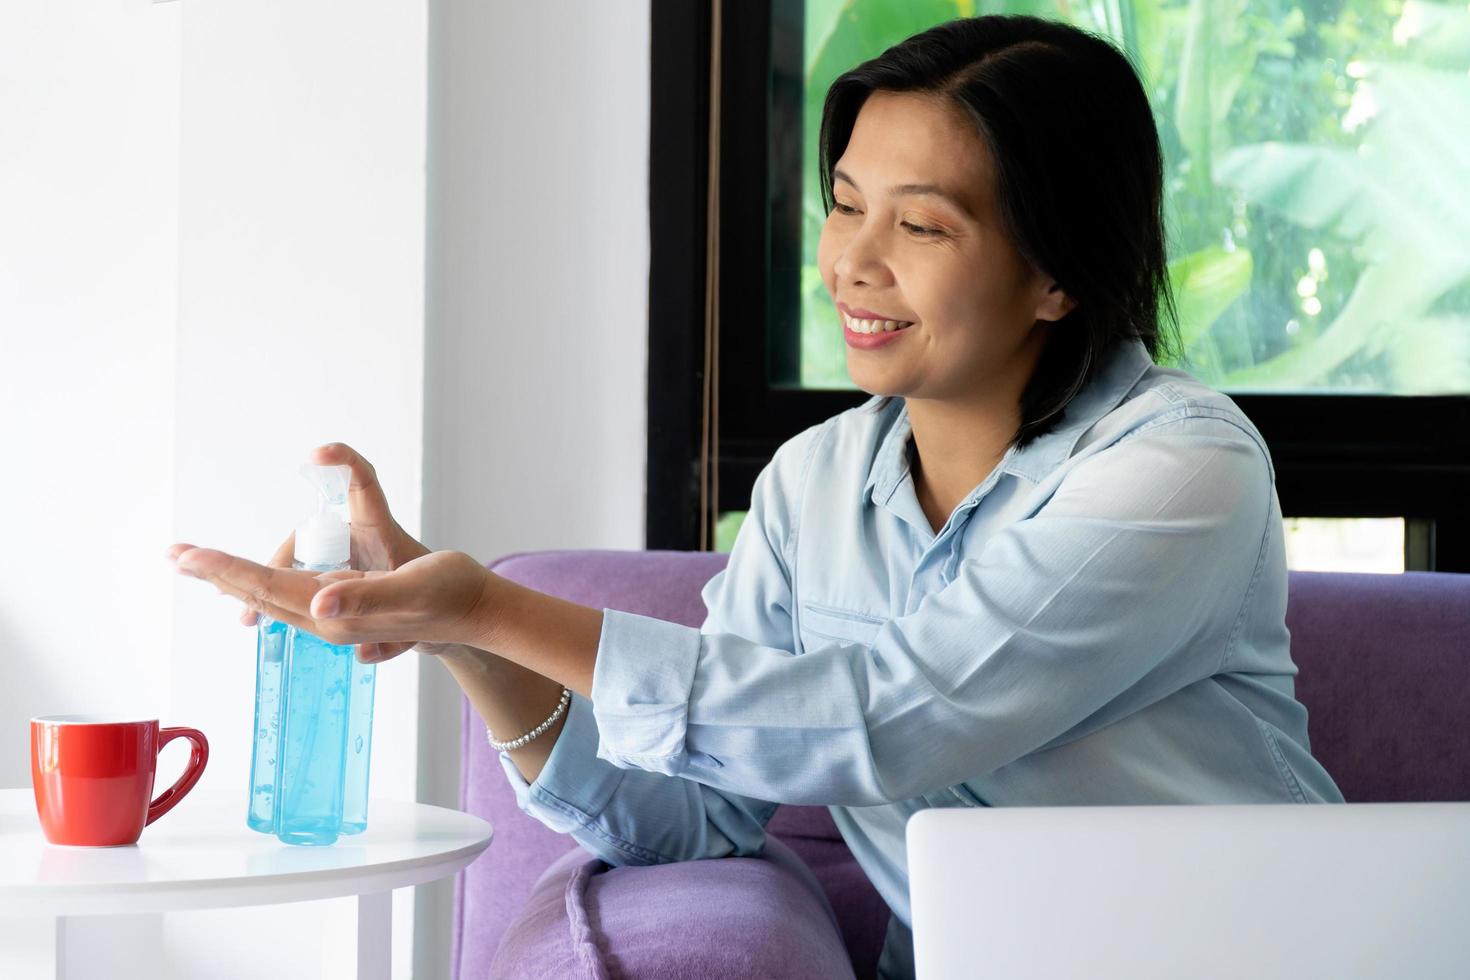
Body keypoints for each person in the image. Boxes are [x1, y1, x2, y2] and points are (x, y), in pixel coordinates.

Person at [168, 15, 1344, 979]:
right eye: (844, 203)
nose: (853, 261)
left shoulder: (1179, 467)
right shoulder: (817, 481)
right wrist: (460, 639)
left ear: (1058, 275)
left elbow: (886, 719)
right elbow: (700, 816)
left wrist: (489, 604)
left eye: (922, 223)